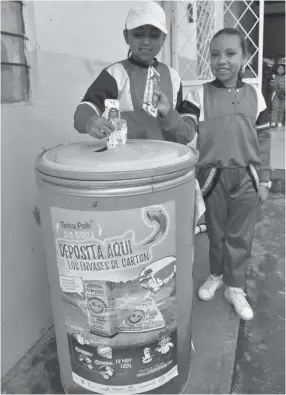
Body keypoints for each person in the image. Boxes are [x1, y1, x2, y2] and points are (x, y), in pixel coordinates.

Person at [183, 28, 271, 320]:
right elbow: (181, 128)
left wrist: (265, 178)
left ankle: (235, 287)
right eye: (215, 54)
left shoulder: (255, 96)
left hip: (246, 175)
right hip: (212, 177)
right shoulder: (198, 95)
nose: (222, 60)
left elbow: (264, 139)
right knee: (216, 232)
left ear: (245, 58)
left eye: (231, 54)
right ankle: (216, 274)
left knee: (241, 235)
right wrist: (167, 115)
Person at [73, 1, 197, 145]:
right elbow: (86, 108)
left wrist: (168, 115)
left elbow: (185, 135)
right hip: (126, 163)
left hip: (165, 163)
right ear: (126, 36)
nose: (145, 41)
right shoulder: (114, 74)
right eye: (138, 35)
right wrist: (90, 120)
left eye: (154, 36)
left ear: (163, 39)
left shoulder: (173, 77)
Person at [270, 60, 285, 128]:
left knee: (281, 108)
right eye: (279, 68)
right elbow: (271, 84)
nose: (280, 70)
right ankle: (273, 121)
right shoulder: (273, 76)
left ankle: (280, 121)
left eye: (282, 69)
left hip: (283, 94)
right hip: (275, 93)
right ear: (276, 69)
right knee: (275, 107)